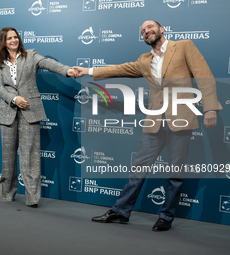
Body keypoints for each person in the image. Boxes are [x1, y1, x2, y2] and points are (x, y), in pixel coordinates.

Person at [73, 20, 222, 231]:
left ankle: (166, 217)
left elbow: (204, 76)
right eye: (143, 31)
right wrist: (87, 70)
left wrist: (210, 109)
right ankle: (120, 211)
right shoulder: (144, 60)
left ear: (162, 29)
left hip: (181, 121)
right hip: (155, 122)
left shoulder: (184, 46)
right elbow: (118, 69)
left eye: (150, 27)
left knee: (175, 173)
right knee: (138, 169)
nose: (146, 31)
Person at [0, 27, 77, 208]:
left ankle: (32, 198)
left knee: (30, 156)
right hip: (8, 112)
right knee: (8, 158)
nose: (14, 40)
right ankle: (6, 194)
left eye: (16, 37)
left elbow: (48, 63)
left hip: (30, 111)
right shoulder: (0, 62)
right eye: (9, 38)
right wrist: (14, 98)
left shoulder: (30, 55)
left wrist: (67, 71)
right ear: (3, 42)